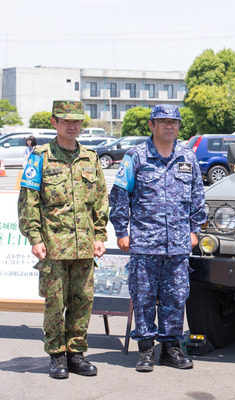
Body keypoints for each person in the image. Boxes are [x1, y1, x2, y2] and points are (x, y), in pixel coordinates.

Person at [109, 104, 206, 372]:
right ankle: (145, 350)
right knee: (143, 297)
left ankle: (171, 348)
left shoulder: (188, 157)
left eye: (173, 122)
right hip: (144, 242)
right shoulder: (136, 156)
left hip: (178, 243)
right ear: (151, 125)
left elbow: (198, 196)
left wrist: (195, 230)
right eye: (162, 122)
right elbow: (119, 195)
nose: (168, 126)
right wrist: (121, 231)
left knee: (176, 297)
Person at [18, 100, 108, 379]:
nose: (73, 126)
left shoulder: (91, 157)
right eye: (66, 121)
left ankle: (76, 354)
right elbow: (28, 200)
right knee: (55, 303)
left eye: (77, 121)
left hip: (84, 246)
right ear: (53, 122)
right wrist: (34, 236)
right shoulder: (39, 156)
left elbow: (100, 201)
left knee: (83, 300)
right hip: (54, 246)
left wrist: (100, 234)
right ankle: (57, 355)